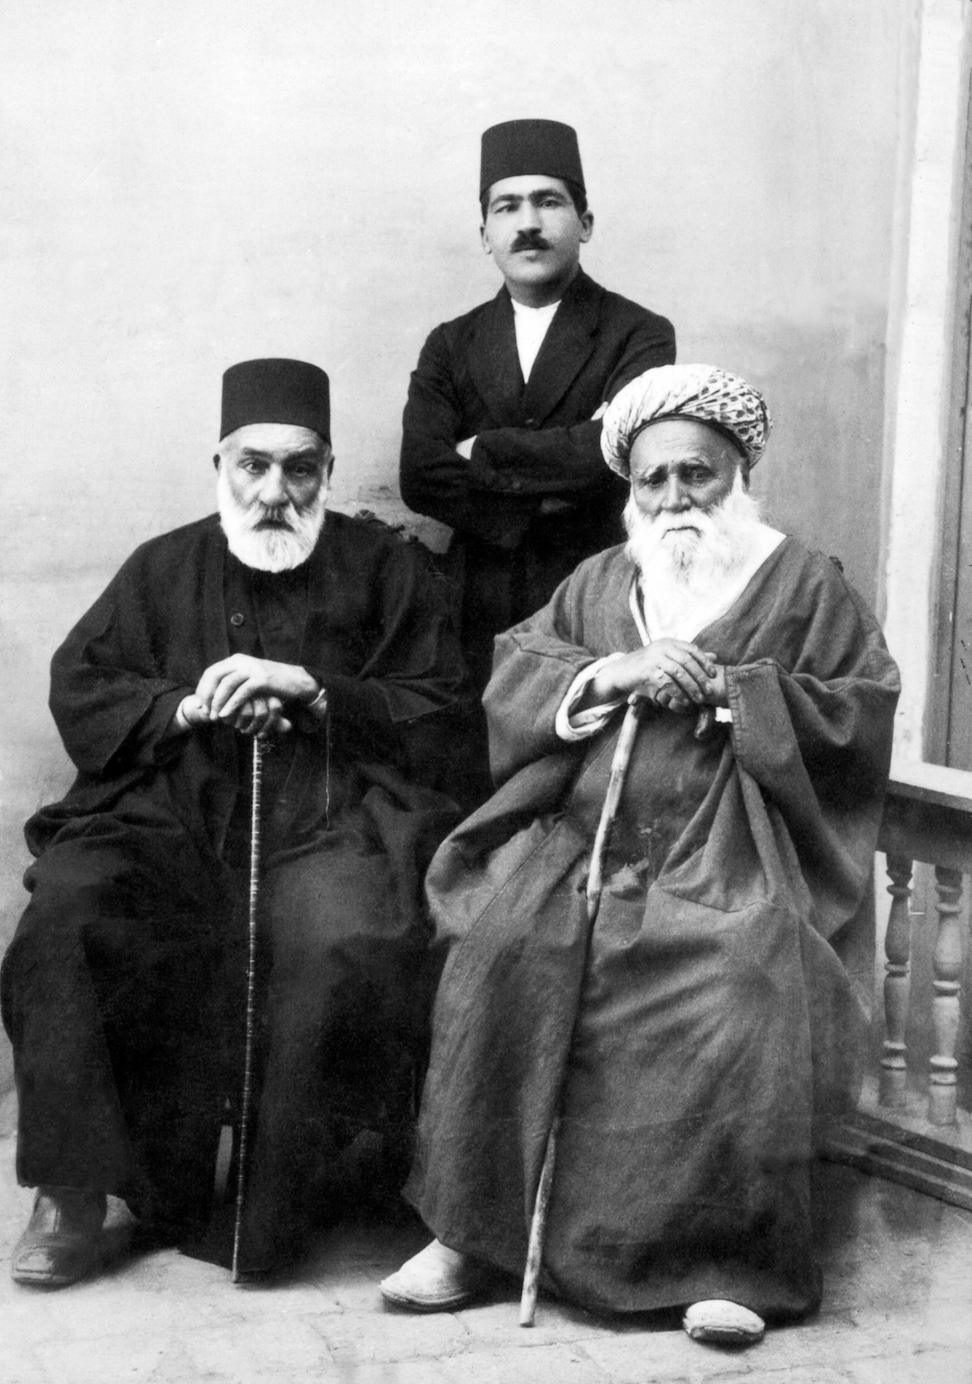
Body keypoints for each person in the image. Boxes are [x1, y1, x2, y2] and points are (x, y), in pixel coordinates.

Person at [381, 364, 900, 1347]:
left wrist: (731, 690)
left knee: (747, 975)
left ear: (738, 474)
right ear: (631, 488)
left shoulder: (806, 582)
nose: (674, 500)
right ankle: (473, 1232)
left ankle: (730, 1260)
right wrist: (612, 670)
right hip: (586, 837)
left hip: (732, 847)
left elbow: (859, 705)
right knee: (500, 951)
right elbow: (520, 670)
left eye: (696, 475)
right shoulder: (600, 581)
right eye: (653, 479)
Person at [2, 358, 466, 1287]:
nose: (274, 493)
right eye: (252, 466)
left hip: (333, 821)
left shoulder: (387, 569)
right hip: (172, 813)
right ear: (219, 463)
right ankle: (74, 1193)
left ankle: (290, 1196)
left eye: (299, 469)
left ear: (329, 470)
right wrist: (190, 708)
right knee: (70, 912)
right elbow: (84, 684)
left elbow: (446, 707)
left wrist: (316, 693)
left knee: (338, 934)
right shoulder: (163, 566)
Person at [399, 118, 676, 706]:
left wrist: (485, 452)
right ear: (485, 234)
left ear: (585, 222)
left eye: (548, 202)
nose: (527, 224)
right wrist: (550, 487)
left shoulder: (639, 335)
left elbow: (613, 457)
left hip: (596, 594)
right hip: (477, 603)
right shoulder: (451, 343)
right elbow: (421, 475)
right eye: (507, 207)